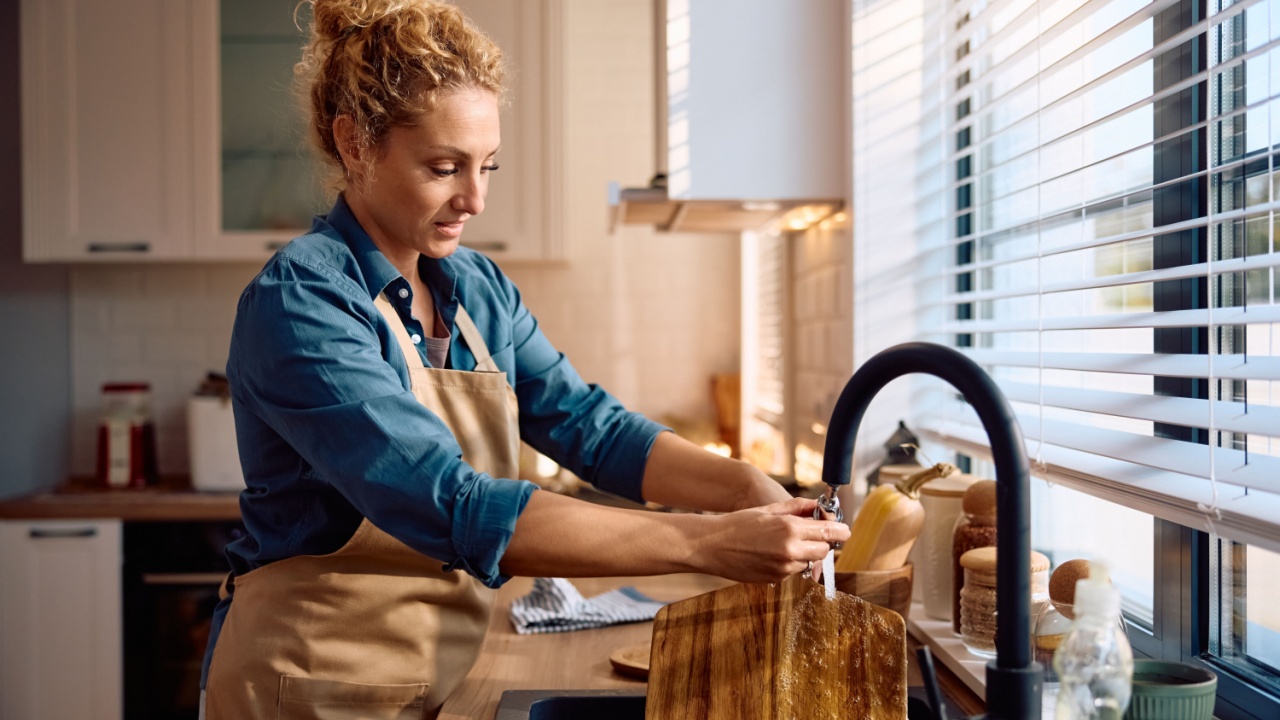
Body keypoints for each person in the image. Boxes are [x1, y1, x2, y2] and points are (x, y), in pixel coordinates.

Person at [200, 1, 849, 718]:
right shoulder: (303, 301)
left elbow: (590, 429)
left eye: (487, 166)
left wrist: (742, 487)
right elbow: (452, 504)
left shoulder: (477, 289)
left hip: (439, 677)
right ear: (354, 144)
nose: (474, 198)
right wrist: (710, 543)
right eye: (444, 167)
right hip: (306, 687)